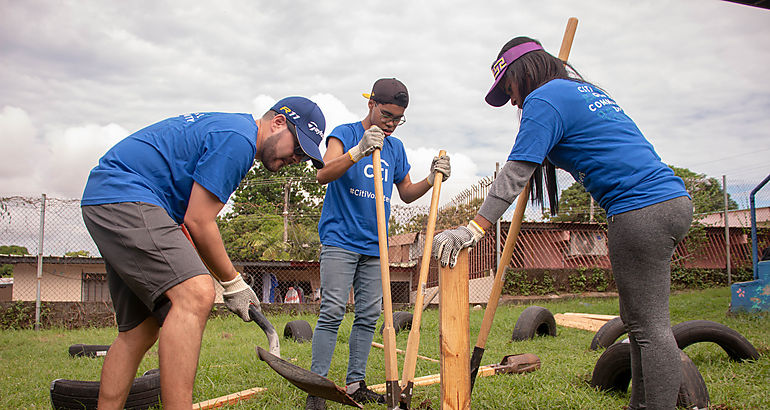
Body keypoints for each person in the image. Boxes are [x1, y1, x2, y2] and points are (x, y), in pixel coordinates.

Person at [433, 37, 693, 410]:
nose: (512, 101)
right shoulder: (581, 92)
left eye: (509, 88)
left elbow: (516, 172)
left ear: (524, 73)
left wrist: (474, 228)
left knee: (650, 327)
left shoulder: (544, 99)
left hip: (639, 209)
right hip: (670, 201)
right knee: (638, 323)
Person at [81, 96, 326, 409]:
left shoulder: (230, 129)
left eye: (305, 156)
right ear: (278, 122)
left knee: (139, 332)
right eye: (297, 147)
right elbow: (198, 221)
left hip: (109, 197)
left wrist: (219, 274)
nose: (297, 158)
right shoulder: (239, 140)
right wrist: (232, 282)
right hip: (126, 194)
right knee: (196, 294)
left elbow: (187, 223)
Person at [306, 78, 451, 409]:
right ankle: (318, 389)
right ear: (371, 104)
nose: (391, 123)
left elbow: (406, 191)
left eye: (398, 118)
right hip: (341, 239)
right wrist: (358, 151)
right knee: (331, 311)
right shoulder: (343, 133)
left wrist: (432, 178)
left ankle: (355, 383)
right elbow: (324, 172)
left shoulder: (395, 148)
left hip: (377, 246)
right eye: (387, 115)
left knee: (369, 315)